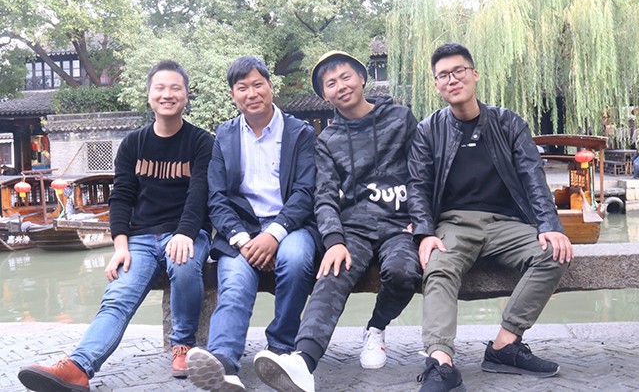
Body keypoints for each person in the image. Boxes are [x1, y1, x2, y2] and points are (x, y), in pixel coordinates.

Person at [18, 60, 214, 391]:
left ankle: (183, 344)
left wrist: (185, 233)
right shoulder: (133, 144)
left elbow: (199, 195)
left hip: (186, 231)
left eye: (175, 88)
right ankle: (79, 366)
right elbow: (121, 197)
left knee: (183, 265)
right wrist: (120, 245)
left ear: (186, 95)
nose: (167, 94)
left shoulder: (201, 142)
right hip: (140, 237)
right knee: (118, 296)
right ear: (149, 94)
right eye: (160, 88)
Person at [407, 43, 573, 391]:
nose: (452, 80)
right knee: (438, 266)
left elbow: (532, 176)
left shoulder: (508, 122)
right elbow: (418, 186)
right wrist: (424, 233)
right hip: (454, 223)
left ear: (474, 75)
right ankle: (441, 362)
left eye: (459, 71)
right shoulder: (428, 129)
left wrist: (550, 226)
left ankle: (504, 346)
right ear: (436, 85)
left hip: (506, 224)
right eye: (443, 75)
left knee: (554, 253)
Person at [254, 51, 422, 392]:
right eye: (330, 83)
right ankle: (303, 361)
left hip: (399, 224)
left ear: (362, 78)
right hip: (354, 228)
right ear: (324, 95)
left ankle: (376, 328)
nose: (340, 86)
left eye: (346, 77)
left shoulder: (400, 119)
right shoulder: (328, 140)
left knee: (404, 272)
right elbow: (325, 195)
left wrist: (422, 223)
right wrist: (334, 240)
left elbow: (422, 173)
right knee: (331, 274)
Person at [186, 56, 319, 392]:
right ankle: (223, 363)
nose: (251, 93)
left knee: (296, 260)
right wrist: (243, 239)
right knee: (234, 283)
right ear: (233, 95)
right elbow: (217, 197)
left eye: (258, 84)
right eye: (242, 88)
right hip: (241, 230)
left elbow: (305, 191)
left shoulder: (299, 133)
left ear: (271, 86)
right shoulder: (225, 136)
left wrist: (274, 235)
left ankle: (280, 350)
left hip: (291, 225)